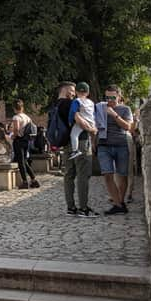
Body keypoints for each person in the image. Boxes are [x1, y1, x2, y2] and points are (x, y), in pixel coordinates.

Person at [55, 82, 97, 217]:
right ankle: (84, 208)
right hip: (82, 142)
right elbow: (77, 118)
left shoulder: (56, 105)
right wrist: (91, 129)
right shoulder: (71, 103)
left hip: (67, 143)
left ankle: (70, 207)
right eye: (72, 91)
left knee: (69, 174)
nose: (74, 93)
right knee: (83, 174)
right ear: (66, 90)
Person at [98, 85, 134, 215]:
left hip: (121, 145)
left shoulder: (125, 109)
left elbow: (128, 127)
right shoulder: (100, 108)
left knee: (122, 175)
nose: (109, 100)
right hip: (104, 145)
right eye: (107, 97)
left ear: (119, 96)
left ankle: (120, 203)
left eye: (112, 97)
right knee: (107, 174)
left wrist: (114, 115)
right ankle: (119, 204)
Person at [11, 100, 40, 189]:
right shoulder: (27, 117)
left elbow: (16, 129)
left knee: (21, 162)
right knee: (24, 161)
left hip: (19, 140)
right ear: (22, 107)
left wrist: (13, 136)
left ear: (14, 108)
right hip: (26, 140)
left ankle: (24, 182)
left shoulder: (16, 117)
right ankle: (34, 180)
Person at [68, 82, 96, 160]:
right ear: (88, 93)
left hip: (82, 122)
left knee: (74, 135)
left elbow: (73, 112)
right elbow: (93, 114)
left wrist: (70, 121)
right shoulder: (91, 102)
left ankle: (75, 150)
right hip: (91, 122)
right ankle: (94, 145)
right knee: (91, 136)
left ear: (76, 92)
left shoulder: (77, 101)